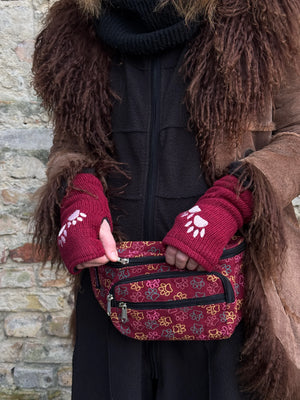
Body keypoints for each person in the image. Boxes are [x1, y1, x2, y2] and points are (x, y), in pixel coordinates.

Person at [32, 0, 300, 399]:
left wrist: (232, 201)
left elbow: (296, 133)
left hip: (233, 289)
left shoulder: (264, 13)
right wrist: (77, 194)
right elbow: (71, 143)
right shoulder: (77, 25)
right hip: (115, 292)